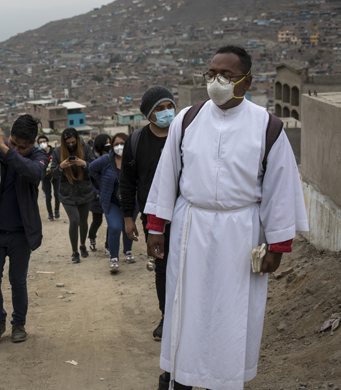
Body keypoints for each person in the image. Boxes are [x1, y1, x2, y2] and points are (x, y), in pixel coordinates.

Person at [144, 46, 308, 390]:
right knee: (187, 304)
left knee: (233, 310)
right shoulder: (187, 120)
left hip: (242, 232)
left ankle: (225, 379)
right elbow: (167, 174)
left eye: (227, 76)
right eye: (212, 74)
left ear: (246, 82)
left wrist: (277, 245)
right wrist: (156, 226)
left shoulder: (268, 127)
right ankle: (181, 378)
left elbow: (280, 187)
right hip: (192, 226)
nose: (217, 81)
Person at [120, 85, 177, 341]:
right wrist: (128, 217)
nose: (167, 112)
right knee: (162, 265)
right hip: (153, 218)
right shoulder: (137, 140)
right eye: (160, 109)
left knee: (189, 264)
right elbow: (128, 181)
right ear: (148, 114)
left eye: (169, 107)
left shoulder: (183, 134)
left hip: (186, 213)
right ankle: (167, 317)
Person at [0, 115, 48, 346]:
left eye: (23, 147)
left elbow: (35, 173)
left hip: (21, 234)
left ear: (33, 143)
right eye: (13, 144)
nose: (17, 150)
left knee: (17, 280)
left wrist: (6, 150)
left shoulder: (37, 157)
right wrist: (1, 148)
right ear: (9, 134)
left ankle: (18, 323)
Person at [89, 132, 136, 273]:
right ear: (112, 146)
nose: (119, 147)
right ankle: (114, 258)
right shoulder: (106, 160)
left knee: (128, 227)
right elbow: (91, 169)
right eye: (116, 144)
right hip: (111, 201)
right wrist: (102, 183)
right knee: (114, 227)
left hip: (131, 201)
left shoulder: (134, 159)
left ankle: (127, 251)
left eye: (123, 143)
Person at [49, 128, 96, 263]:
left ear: (77, 139)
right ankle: (74, 251)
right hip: (66, 193)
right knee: (74, 220)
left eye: (73, 142)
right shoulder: (57, 152)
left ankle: (82, 245)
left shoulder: (85, 148)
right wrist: (61, 166)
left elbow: (94, 165)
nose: (71, 145)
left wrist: (84, 164)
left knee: (83, 221)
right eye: (68, 143)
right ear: (64, 142)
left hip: (84, 191)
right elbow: (53, 173)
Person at [88, 134, 110, 254]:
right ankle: (91, 237)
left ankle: (108, 245)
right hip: (96, 197)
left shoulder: (112, 158)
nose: (109, 145)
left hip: (109, 195)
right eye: (107, 143)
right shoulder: (93, 159)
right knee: (97, 221)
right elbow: (89, 181)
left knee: (111, 221)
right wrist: (96, 193)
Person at [37, 135, 60, 221]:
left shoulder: (55, 151)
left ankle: (57, 211)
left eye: (44, 141)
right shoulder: (39, 153)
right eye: (40, 142)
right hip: (45, 177)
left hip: (56, 176)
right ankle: (50, 214)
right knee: (48, 196)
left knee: (57, 194)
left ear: (47, 142)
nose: (42, 143)